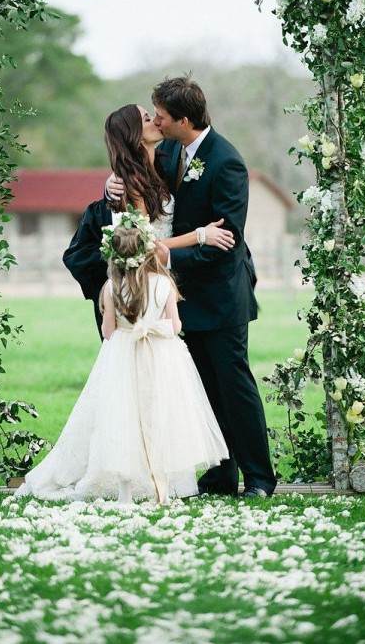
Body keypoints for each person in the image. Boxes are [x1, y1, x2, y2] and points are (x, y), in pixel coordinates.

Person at [104, 76, 277, 499]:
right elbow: (137, 181)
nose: (156, 121)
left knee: (234, 386)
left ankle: (259, 478)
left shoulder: (226, 162)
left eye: (161, 115)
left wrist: (164, 255)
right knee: (203, 390)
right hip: (178, 298)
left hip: (220, 295)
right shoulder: (168, 151)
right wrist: (108, 185)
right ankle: (220, 475)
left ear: (183, 119)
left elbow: (227, 239)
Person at [16, 211, 229, 504]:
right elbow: (177, 325)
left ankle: (124, 493)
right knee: (161, 417)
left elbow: (108, 332)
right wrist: (155, 328)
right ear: (148, 250)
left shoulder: (110, 288)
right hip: (161, 358)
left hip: (123, 359)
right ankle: (163, 488)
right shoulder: (164, 285)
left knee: (122, 420)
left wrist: (131, 327)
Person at [63, 103, 235, 336]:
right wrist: (201, 235)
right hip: (146, 285)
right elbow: (145, 245)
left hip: (162, 278)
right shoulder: (131, 183)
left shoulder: (159, 167)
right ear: (134, 135)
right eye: (146, 119)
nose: (155, 121)